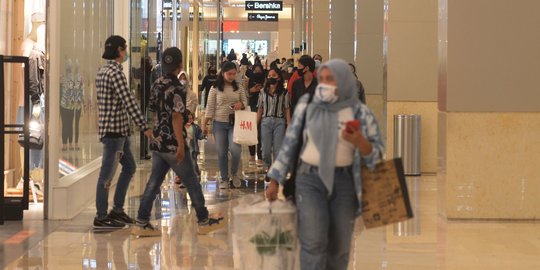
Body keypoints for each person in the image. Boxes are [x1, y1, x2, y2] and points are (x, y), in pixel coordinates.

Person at [266, 59, 385, 270]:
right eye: (322, 79)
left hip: (345, 183)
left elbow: (376, 155)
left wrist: (359, 141)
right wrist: (275, 179)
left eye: (331, 79)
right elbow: (291, 142)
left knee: (340, 247)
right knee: (314, 241)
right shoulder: (307, 105)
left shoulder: (359, 112)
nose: (325, 84)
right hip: (309, 180)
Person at [133, 47, 225, 237]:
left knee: (153, 182)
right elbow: (176, 117)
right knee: (191, 181)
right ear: (180, 65)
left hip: (158, 143)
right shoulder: (178, 88)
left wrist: (151, 132)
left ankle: (141, 221)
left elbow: (152, 111)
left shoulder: (157, 84)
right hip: (173, 145)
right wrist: (181, 144)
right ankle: (203, 220)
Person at [94, 35, 153, 229]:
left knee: (129, 167)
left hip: (118, 130)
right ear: (119, 50)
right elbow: (129, 102)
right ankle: (101, 216)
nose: (126, 52)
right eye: (125, 48)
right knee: (106, 176)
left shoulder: (102, 71)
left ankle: (117, 209)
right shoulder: (115, 73)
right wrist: (145, 127)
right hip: (114, 132)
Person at [202, 61, 248, 189]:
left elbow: (245, 101)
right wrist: (204, 125)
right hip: (219, 124)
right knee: (222, 152)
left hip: (234, 123)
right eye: (229, 74)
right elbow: (210, 107)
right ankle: (224, 178)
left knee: (235, 150)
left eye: (234, 74)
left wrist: (241, 105)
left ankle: (234, 173)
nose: (232, 76)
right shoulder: (214, 88)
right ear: (222, 73)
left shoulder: (239, 87)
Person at [257, 67, 291, 171]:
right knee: (265, 150)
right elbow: (260, 109)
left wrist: (289, 124)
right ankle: (268, 166)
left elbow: (287, 109)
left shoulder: (284, 93)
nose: (271, 78)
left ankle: (275, 173)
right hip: (265, 122)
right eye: (269, 76)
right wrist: (255, 124)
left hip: (279, 122)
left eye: (274, 76)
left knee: (278, 149)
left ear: (279, 78)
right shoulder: (262, 92)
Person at [247, 63, 265, 165]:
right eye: (255, 71)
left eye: (259, 71)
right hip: (252, 106)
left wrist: (262, 89)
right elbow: (246, 93)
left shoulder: (266, 79)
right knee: (251, 130)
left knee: (261, 132)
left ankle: (260, 155)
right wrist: (252, 90)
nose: (257, 73)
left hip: (263, 107)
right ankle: (252, 154)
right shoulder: (250, 79)